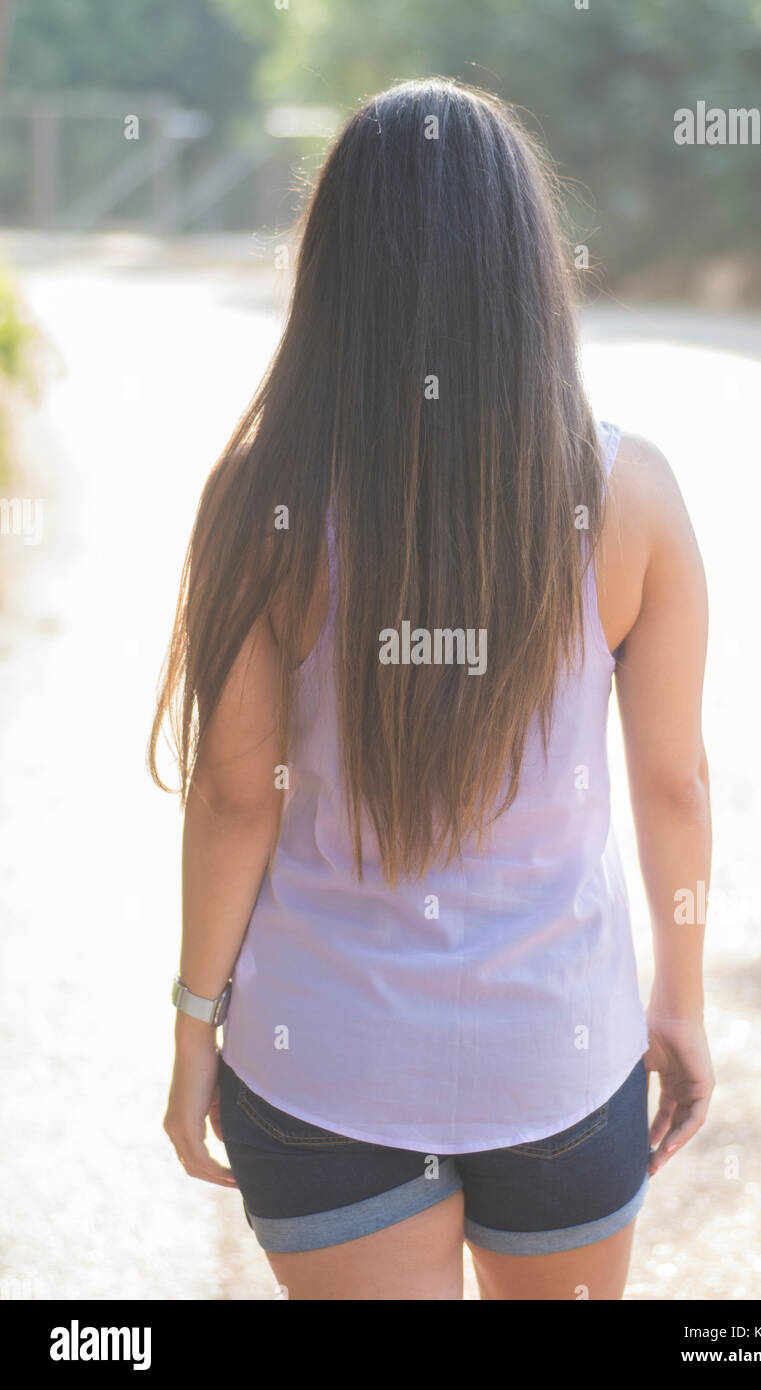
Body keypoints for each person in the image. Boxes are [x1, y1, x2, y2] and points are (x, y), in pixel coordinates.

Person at [152, 78, 713, 1301]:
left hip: (320, 1072)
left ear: (335, 263)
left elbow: (237, 799)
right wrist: (681, 1001)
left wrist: (196, 1025)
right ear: (525, 266)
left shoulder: (261, 498)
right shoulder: (632, 497)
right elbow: (672, 777)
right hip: (557, 1064)